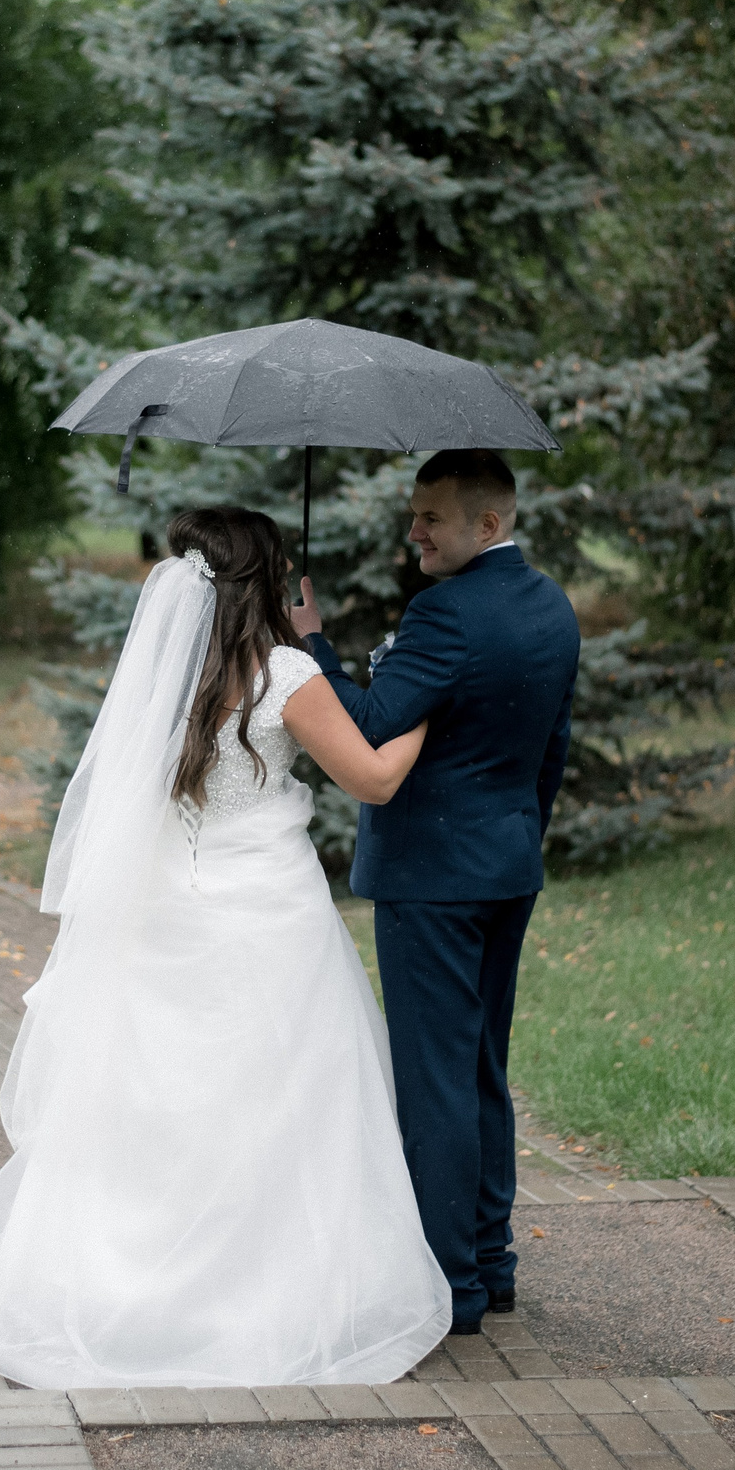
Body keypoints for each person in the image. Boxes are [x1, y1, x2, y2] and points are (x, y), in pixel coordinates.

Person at [0, 506, 453, 1389]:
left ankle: (132, 1293)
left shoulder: (172, 679)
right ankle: (265, 1296)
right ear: (269, 580)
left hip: (171, 907)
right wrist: (427, 703)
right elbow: (374, 776)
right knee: (281, 1105)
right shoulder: (285, 673)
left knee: (165, 1102)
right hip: (268, 919)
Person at [289, 448, 581, 1334]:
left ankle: (448, 1284)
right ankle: (491, 1262)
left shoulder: (445, 614)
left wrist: (312, 644)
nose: (413, 530)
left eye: (432, 518)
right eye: (414, 513)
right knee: (482, 1066)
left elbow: (371, 724)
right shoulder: (551, 606)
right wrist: (518, 838)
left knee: (436, 1081)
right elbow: (552, 749)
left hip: (433, 881)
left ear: (487, 524)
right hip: (506, 866)